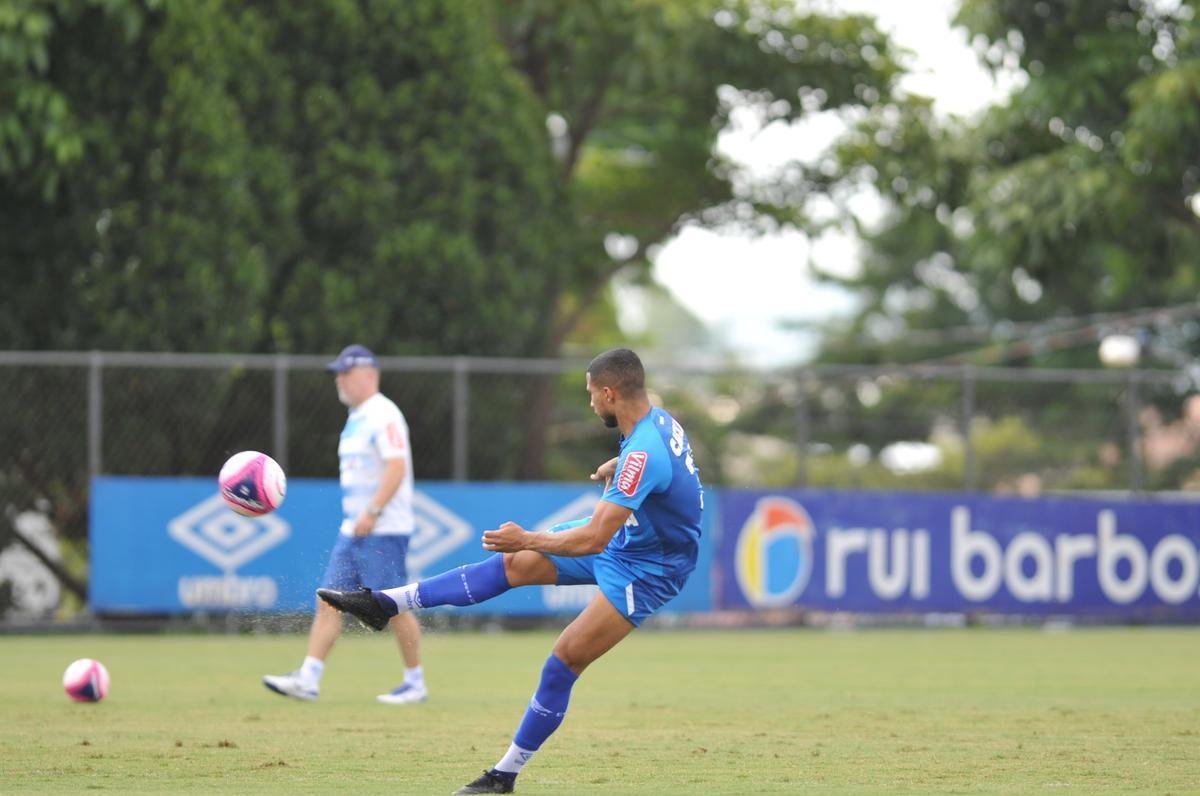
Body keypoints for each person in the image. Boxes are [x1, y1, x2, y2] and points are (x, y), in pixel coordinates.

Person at [318, 347, 704, 794]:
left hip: (651, 569)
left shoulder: (643, 453)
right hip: (632, 536)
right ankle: (386, 603)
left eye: (590, 394)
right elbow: (661, 467)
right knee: (511, 564)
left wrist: (529, 537)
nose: (591, 403)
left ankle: (504, 775)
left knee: (563, 661)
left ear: (609, 393)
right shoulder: (658, 424)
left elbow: (595, 538)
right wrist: (620, 466)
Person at [263, 344, 428, 705]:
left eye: (344, 373)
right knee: (329, 599)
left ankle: (415, 682)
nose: (338, 379)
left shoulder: (384, 414)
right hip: (354, 527)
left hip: (382, 527)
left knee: (392, 603)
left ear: (369, 375)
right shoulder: (357, 417)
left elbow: (396, 467)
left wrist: (373, 511)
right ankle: (309, 678)